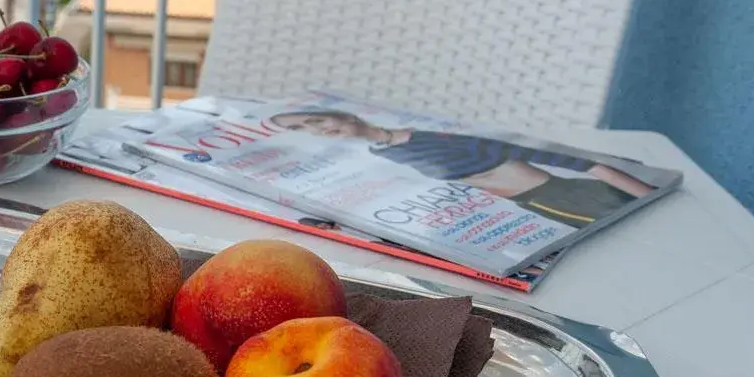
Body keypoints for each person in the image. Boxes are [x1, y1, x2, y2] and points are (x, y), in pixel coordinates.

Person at [271, 109, 655, 228]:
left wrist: (649, 200)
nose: (317, 130)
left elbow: (586, 163)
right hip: (535, 212)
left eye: (312, 119)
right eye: (302, 130)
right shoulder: (382, 156)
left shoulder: (431, 138)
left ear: (335, 112)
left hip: (570, 196)